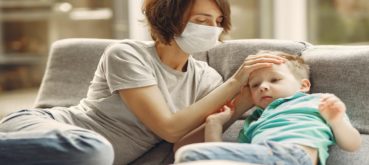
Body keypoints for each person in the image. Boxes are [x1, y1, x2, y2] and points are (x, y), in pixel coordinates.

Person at [0, 0, 285, 165]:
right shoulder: (127, 54)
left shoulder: (208, 79)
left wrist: (241, 102)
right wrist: (235, 82)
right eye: (202, 19)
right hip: (49, 128)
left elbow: (182, 145)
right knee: (93, 149)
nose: (213, 29)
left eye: (218, 21)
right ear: (170, 19)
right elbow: (168, 128)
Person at [174, 51, 362, 165]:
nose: (263, 87)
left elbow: (352, 145)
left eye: (274, 80)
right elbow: (224, 155)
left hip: (292, 155)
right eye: (255, 85)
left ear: (304, 86)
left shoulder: (318, 102)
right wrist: (214, 124)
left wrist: (336, 120)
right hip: (264, 157)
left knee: (188, 154)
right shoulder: (254, 120)